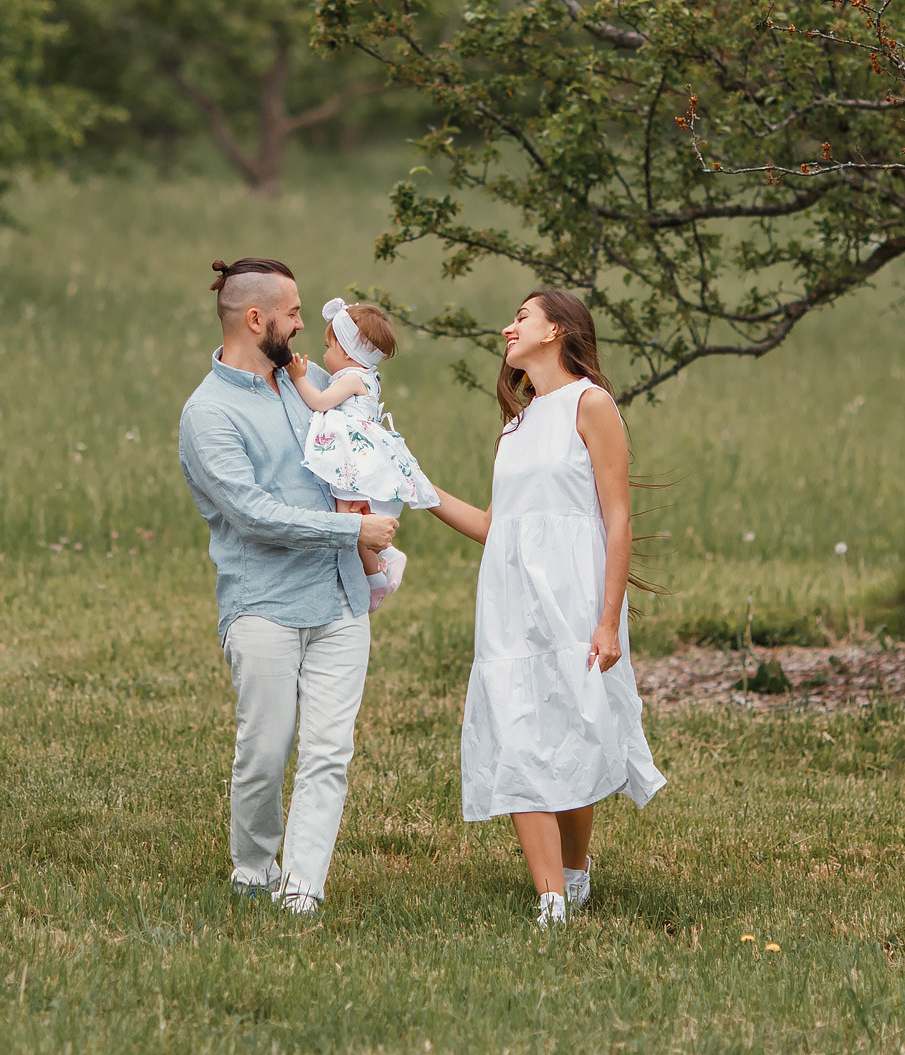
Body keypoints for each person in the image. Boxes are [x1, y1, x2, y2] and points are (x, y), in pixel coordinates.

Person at [421, 289, 667, 926]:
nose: (508, 327)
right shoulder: (514, 427)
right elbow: (496, 525)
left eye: (521, 318)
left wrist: (608, 619)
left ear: (555, 330)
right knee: (520, 734)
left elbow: (616, 518)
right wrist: (418, 487)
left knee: (573, 731)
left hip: (574, 596)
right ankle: (550, 898)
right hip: (510, 600)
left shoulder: (591, 405)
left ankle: (576, 875)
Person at [177, 258, 400, 916]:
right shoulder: (207, 413)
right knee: (266, 749)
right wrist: (347, 531)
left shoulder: (316, 385)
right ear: (256, 318)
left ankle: (303, 887)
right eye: (294, 312)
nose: (305, 324)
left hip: (340, 599)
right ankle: (253, 872)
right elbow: (251, 514)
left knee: (329, 751)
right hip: (264, 603)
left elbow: (364, 454)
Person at [286, 297, 440, 612]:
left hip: (353, 457)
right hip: (359, 453)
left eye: (329, 348)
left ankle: (381, 567)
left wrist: (299, 377)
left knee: (348, 519)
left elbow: (319, 402)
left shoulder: (352, 378)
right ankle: (378, 572)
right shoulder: (366, 376)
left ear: (346, 352)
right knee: (354, 517)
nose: (325, 355)